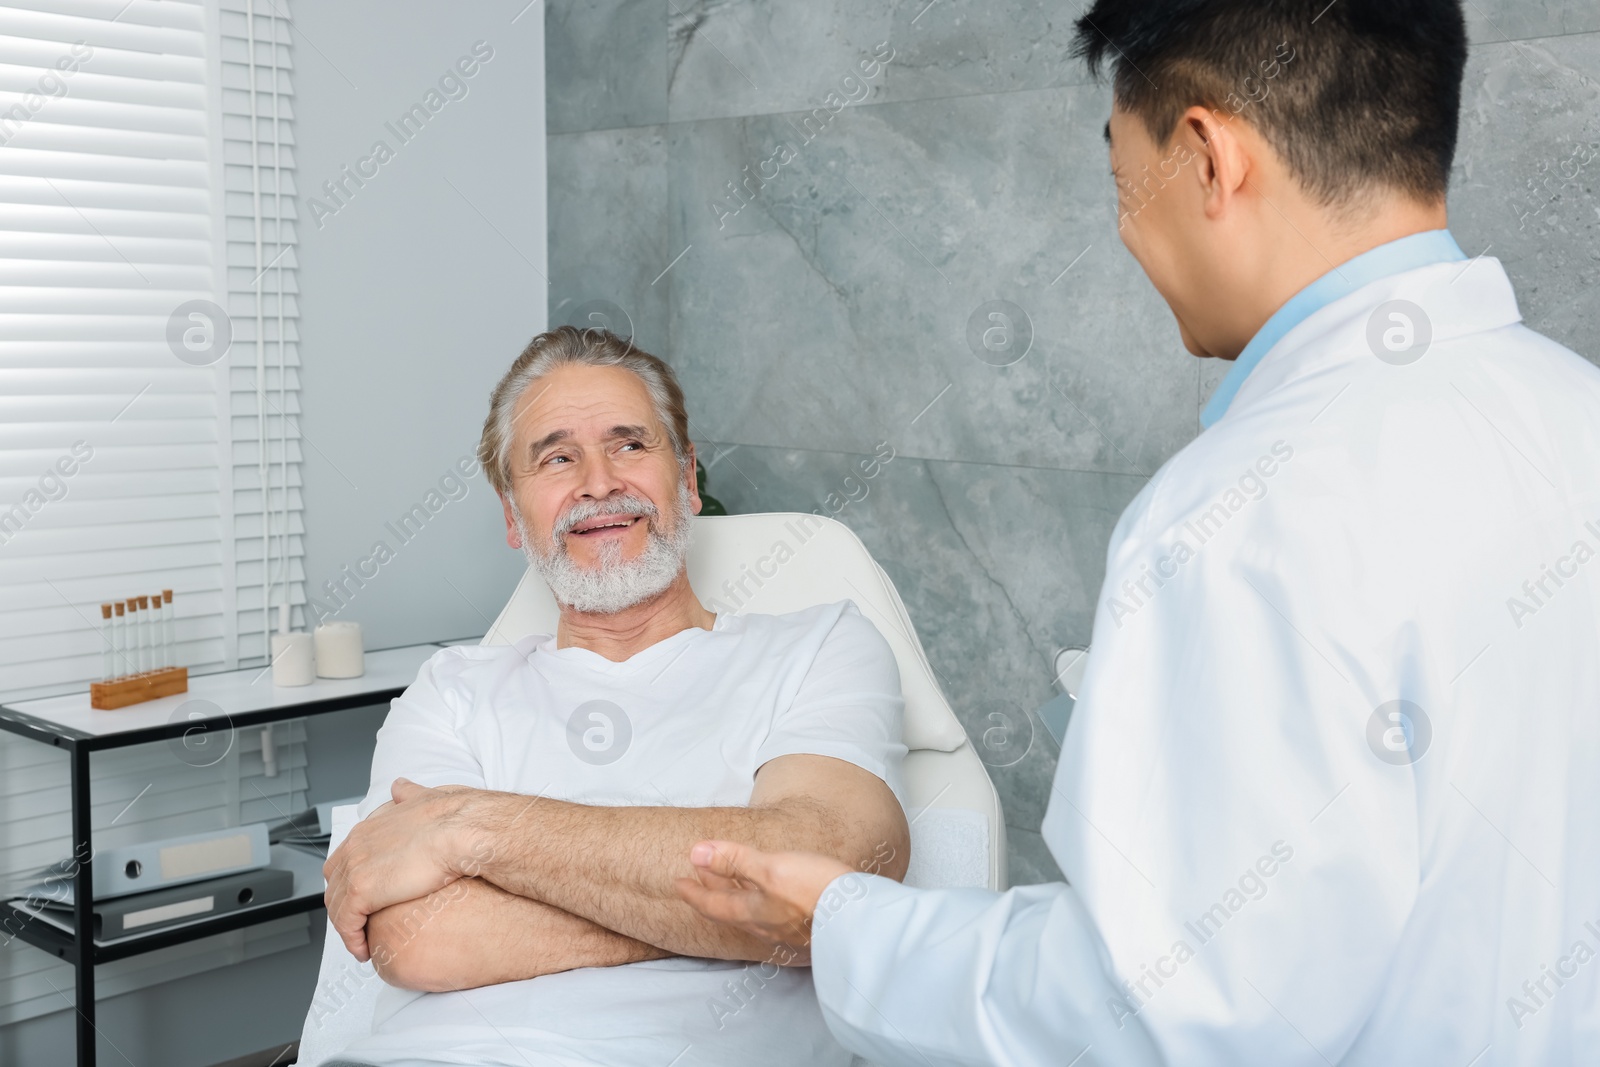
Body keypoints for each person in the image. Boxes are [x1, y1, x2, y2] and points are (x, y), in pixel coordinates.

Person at [676, 2, 1600, 1064]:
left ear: (1207, 158)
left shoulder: (1242, 508)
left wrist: (843, 927)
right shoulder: (1569, 414)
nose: (1124, 231)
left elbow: (1163, 1008)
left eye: (1124, 187)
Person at [318, 325, 911, 1067]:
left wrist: (471, 829)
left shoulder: (819, 646)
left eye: (630, 444)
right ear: (512, 514)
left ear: (688, 479)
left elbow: (826, 874)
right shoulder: (453, 689)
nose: (598, 482)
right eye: (557, 457)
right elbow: (414, 935)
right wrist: (730, 923)